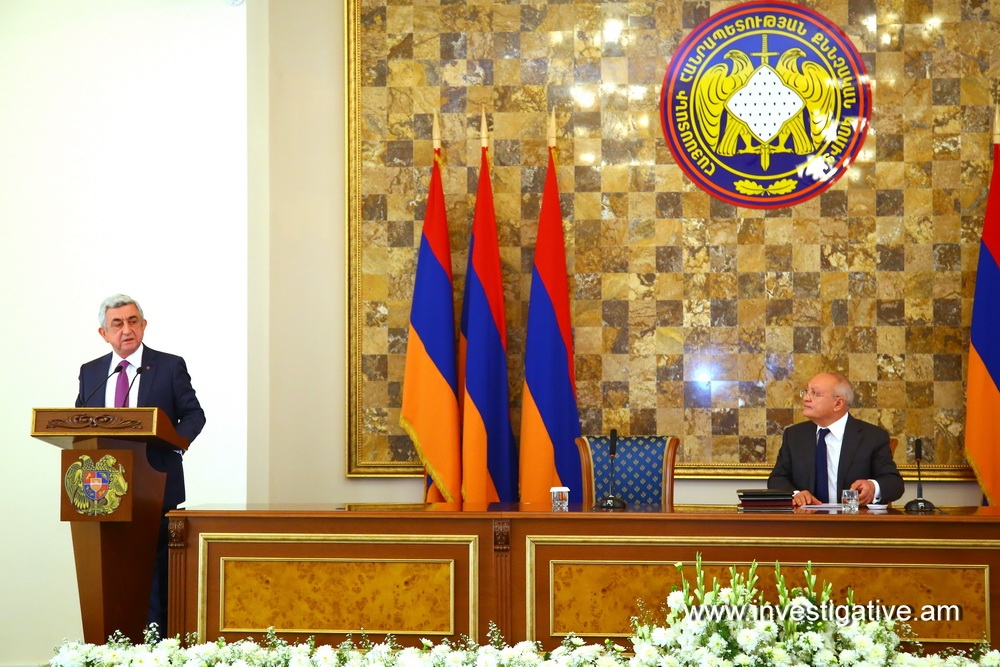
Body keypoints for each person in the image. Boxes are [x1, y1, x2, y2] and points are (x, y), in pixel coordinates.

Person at [76, 294, 206, 637]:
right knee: (110, 572)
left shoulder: (169, 366)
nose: (126, 329)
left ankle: (157, 646)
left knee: (155, 576)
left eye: (133, 321)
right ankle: (111, 645)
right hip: (101, 490)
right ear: (104, 333)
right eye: (117, 323)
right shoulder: (91, 373)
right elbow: (79, 424)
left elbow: (194, 415)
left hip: (155, 485)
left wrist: (174, 443)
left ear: (144, 325)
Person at [767, 372, 903, 508]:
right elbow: (777, 478)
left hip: (853, 519)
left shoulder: (872, 436)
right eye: (806, 391)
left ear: (838, 403)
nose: (806, 398)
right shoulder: (794, 435)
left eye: (815, 393)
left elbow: (894, 483)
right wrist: (796, 494)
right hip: (806, 519)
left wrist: (873, 487)